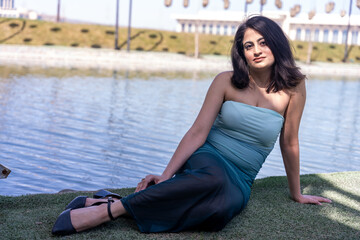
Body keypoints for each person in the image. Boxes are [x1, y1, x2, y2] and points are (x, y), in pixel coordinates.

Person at [52, 15, 331, 235]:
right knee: (212, 179)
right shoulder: (226, 80)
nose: (256, 50)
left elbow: (290, 141)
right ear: (242, 53)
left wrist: (296, 194)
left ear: (276, 43)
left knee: (219, 213)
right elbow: (198, 132)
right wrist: (166, 175)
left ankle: (105, 201)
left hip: (243, 177)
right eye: (249, 45)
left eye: (263, 42)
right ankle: (108, 212)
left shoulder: (294, 87)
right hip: (208, 158)